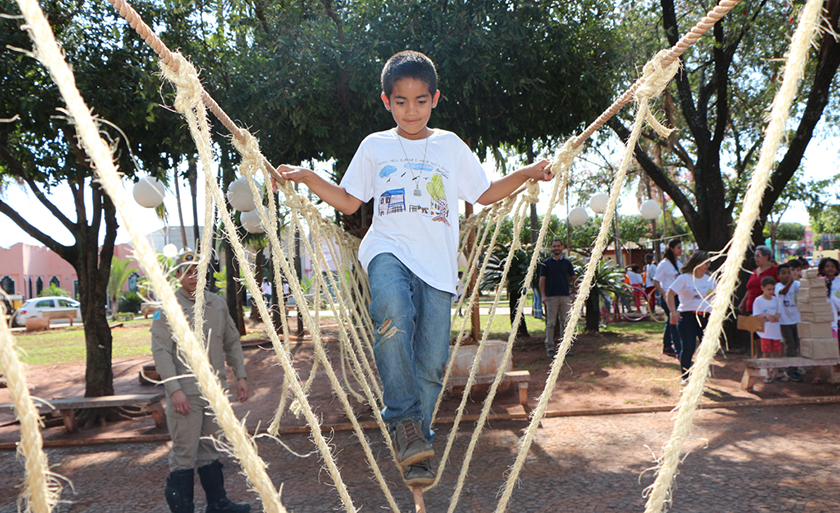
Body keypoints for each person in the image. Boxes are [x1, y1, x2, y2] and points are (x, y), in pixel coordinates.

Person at [277, 50, 554, 486]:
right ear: (386, 102)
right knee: (393, 315)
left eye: (421, 100)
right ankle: (402, 420)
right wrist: (310, 178)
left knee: (430, 363)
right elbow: (351, 201)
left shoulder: (449, 145)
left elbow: (483, 193)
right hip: (387, 250)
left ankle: (417, 445)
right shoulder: (375, 146)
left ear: (435, 99)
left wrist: (528, 172)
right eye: (401, 101)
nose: (412, 110)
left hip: (438, 269)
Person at [152, 250, 251, 513]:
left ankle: (217, 504)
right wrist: (173, 390)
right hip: (186, 392)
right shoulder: (168, 308)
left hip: (215, 390)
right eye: (186, 271)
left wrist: (240, 376)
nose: (192, 276)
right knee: (184, 453)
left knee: (210, 447)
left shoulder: (216, 304)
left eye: (197, 269)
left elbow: (231, 342)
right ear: (177, 275)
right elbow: (161, 352)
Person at [666, 250, 715, 384]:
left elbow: (716, 296)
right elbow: (670, 293)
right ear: (697, 263)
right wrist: (673, 311)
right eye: (706, 263)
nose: (708, 266)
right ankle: (685, 377)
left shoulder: (711, 278)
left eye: (709, 263)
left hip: (707, 317)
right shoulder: (684, 278)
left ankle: (702, 375)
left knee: (706, 348)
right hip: (688, 317)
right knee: (688, 347)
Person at [540, 239, 577, 359]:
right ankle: (550, 349)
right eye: (554, 246)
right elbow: (542, 280)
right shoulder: (546, 263)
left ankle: (565, 349)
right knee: (550, 323)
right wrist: (543, 295)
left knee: (565, 323)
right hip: (551, 297)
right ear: (551, 248)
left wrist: (575, 293)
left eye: (558, 246)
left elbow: (573, 278)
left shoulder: (567, 263)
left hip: (565, 296)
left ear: (562, 247)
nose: (556, 248)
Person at [654, 239, 683, 357]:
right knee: (675, 322)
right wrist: (664, 294)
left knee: (671, 321)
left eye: (681, 247)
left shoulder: (679, 262)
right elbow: (656, 282)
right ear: (671, 249)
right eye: (678, 248)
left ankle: (667, 346)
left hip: (679, 297)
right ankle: (678, 350)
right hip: (668, 298)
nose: (681, 250)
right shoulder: (664, 264)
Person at [775, 263, 803, 382]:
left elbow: (803, 288)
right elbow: (783, 292)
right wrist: (791, 282)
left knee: (796, 344)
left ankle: (793, 366)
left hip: (796, 320)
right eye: (784, 273)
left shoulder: (796, 284)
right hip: (784, 321)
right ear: (779, 276)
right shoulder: (777, 286)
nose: (787, 275)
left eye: (789, 272)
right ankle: (791, 370)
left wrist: (802, 279)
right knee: (790, 345)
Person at [753, 276, 783, 383]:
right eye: (769, 289)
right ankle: (767, 373)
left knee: (776, 352)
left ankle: (775, 372)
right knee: (766, 352)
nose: (771, 292)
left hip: (776, 331)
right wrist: (766, 315)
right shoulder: (758, 301)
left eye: (773, 289)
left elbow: (779, 312)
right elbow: (756, 316)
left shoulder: (776, 300)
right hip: (765, 332)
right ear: (763, 288)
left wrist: (777, 316)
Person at [738, 245, 778, 315]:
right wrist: (743, 302)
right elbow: (750, 289)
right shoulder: (754, 272)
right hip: (750, 308)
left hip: (765, 309)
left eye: (758, 256)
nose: (755, 258)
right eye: (755, 256)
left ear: (766, 257)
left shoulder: (774, 271)